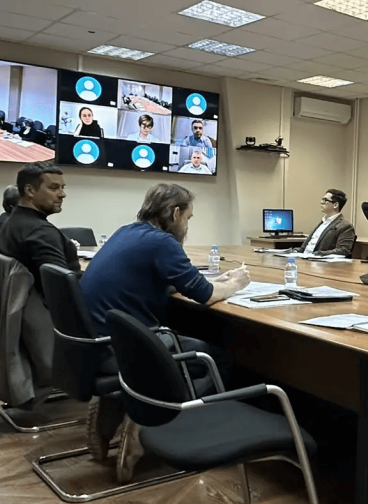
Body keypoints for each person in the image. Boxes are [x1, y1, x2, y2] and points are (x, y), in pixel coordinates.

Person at [79, 183, 252, 477]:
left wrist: (217, 282)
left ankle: (119, 404)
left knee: (194, 342)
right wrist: (235, 283)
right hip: (124, 347)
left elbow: (169, 282)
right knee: (217, 359)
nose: (187, 225)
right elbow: (205, 295)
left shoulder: (126, 232)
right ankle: (147, 420)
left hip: (96, 341)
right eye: (188, 217)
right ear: (175, 213)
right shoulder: (163, 242)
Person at [0, 163, 79, 298]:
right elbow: (63, 291)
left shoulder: (13, 221)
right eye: (54, 188)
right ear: (30, 191)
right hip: (55, 308)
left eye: (62, 188)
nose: (62, 194)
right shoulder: (41, 232)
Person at [300, 189, 356, 257]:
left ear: (335, 205)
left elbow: (343, 251)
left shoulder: (345, 226)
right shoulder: (322, 222)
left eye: (325, 200)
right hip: (304, 257)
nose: (321, 202)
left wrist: (318, 254)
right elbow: (303, 248)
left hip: (318, 261)